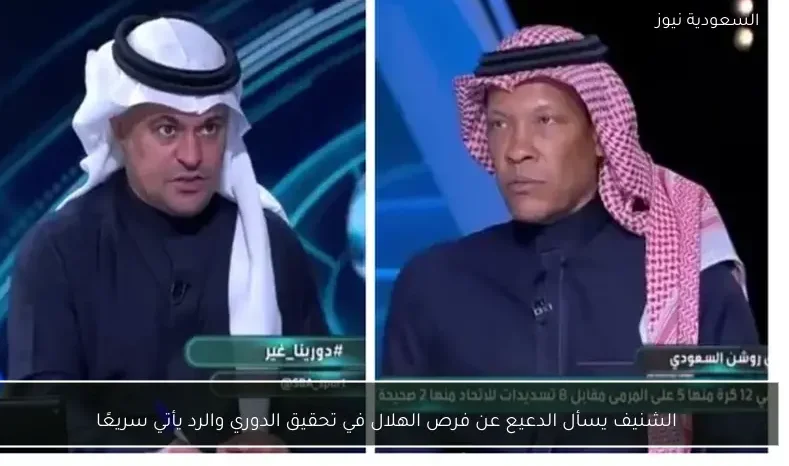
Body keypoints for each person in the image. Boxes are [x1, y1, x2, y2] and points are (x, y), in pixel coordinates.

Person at [382, 25, 765, 451]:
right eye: (499, 124)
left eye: (545, 121)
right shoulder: (433, 285)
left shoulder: (691, 281)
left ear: (600, 134)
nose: (516, 149)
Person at [5, 14, 328, 451]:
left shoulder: (270, 245)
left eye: (210, 128)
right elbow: (37, 426)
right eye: (167, 129)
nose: (192, 156)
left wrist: (283, 444)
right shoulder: (59, 252)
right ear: (120, 128)